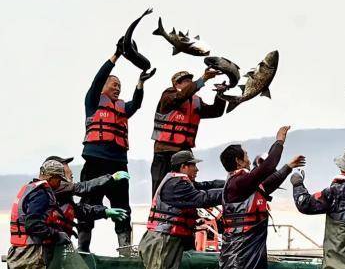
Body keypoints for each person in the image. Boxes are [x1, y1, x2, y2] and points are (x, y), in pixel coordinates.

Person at [215, 126, 305, 269]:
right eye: (245, 155)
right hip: (240, 249)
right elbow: (266, 169)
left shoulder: (244, 183)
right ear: (238, 161)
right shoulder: (238, 182)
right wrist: (279, 141)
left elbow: (268, 184)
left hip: (251, 246)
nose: (248, 157)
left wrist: (288, 167)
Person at [78, 40, 155, 253]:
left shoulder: (122, 109)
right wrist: (116, 56)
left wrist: (140, 83)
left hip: (119, 166)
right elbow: (99, 78)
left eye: (120, 85)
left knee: (122, 208)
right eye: (114, 84)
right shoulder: (93, 101)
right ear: (103, 87)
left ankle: (125, 249)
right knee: (89, 205)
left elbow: (136, 104)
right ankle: (83, 249)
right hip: (95, 163)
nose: (118, 87)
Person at [140, 150, 225, 269]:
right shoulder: (176, 184)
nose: (197, 170)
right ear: (184, 167)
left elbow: (207, 185)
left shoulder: (180, 182)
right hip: (162, 240)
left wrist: (234, 183)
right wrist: (232, 193)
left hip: (169, 239)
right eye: (194, 165)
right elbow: (201, 198)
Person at [7, 160, 70, 269]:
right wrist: (56, 235)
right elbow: (33, 224)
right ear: (52, 177)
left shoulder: (29, 188)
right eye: (59, 180)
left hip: (16, 252)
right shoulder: (41, 193)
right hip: (31, 252)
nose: (59, 185)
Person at [150, 68, 224, 196]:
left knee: (189, 185)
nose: (189, 82)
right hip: (164, 152)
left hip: (184, 152)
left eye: (190, 80)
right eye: (184, 81)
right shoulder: (168, 96)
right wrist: (203, 79)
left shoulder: (196, 101)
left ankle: (188, 212)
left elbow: (216, 112)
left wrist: (221, 94)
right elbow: (181, 96)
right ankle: (157, 212)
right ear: (176, 84)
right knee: (160, 188)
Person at [42, 156, 130, 245]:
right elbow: (83, 187)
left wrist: (105, 212)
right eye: (64, 166)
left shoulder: (62, 198)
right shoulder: (48, 189)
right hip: (43, 246)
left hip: (55, 245)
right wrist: (110, 178)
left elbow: (81, 211)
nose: (70, 173)